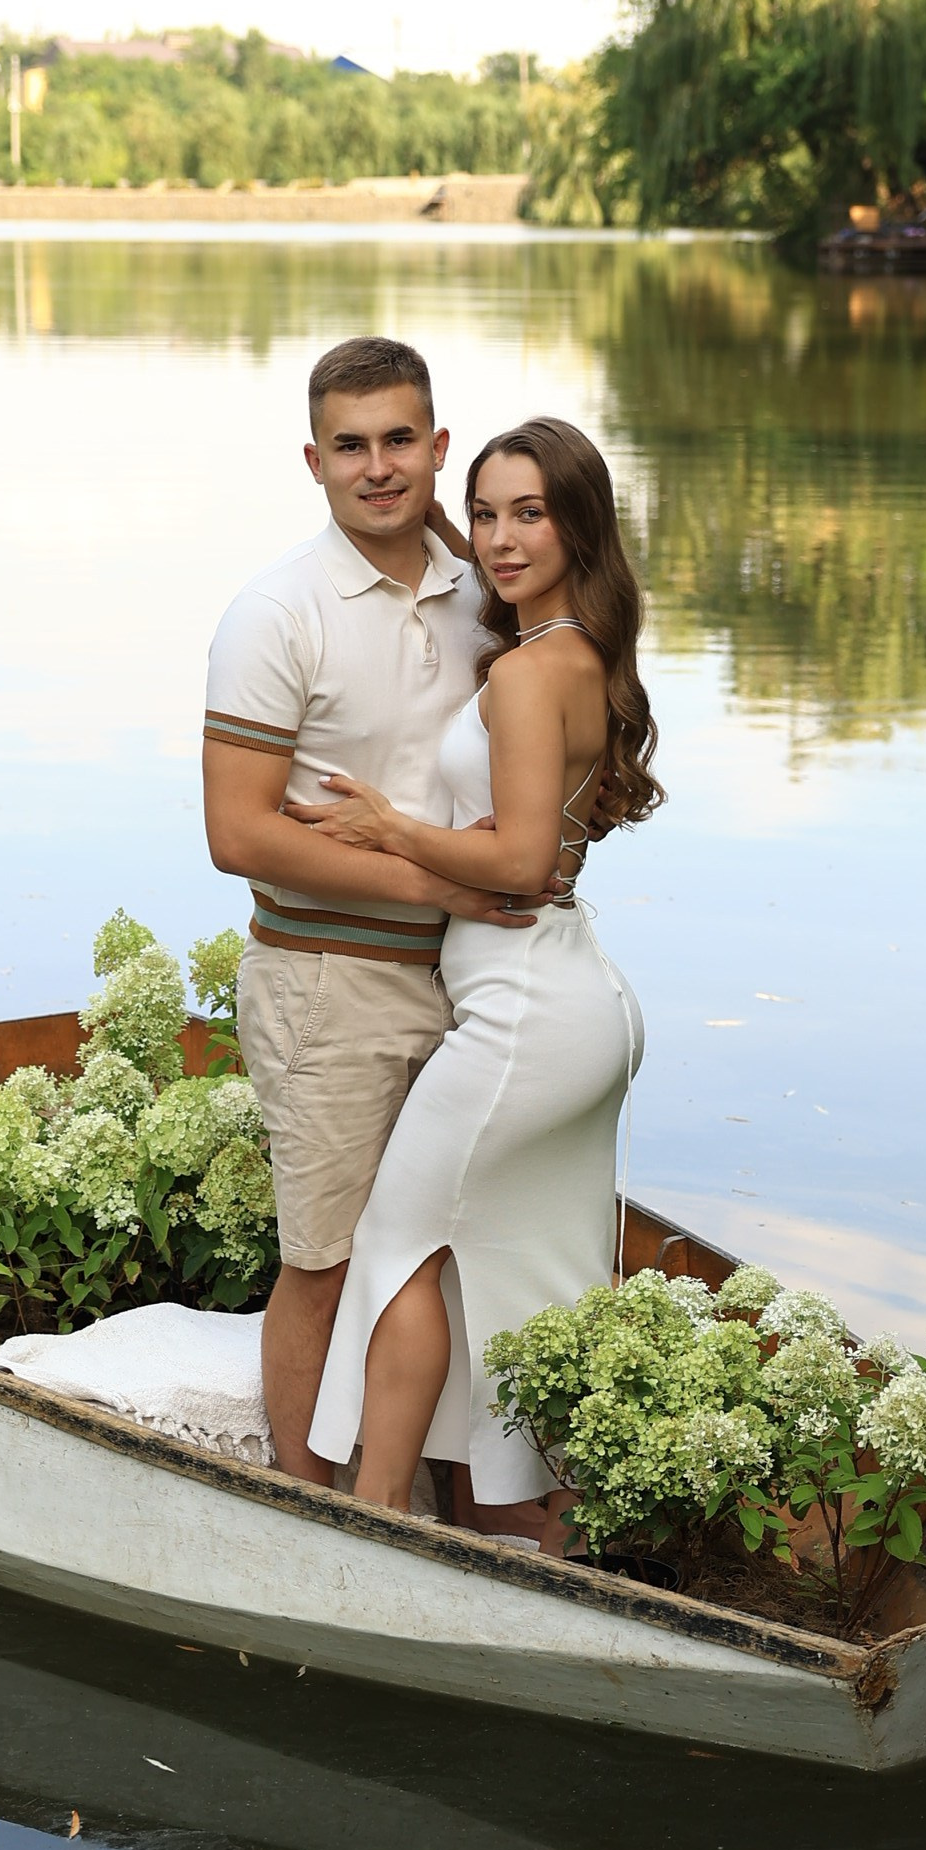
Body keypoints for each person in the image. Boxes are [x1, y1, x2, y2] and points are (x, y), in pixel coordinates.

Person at [295, 416, 661, 1532]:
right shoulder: (581, 653)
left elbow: (515, 862)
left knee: (399, 1246)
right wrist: (437, 513)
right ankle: (539, 1535)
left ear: (578, 523)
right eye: (487, 514)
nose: (499, 542)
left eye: (530, 515)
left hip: (520, 1017)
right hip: (569, 996)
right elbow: (538, 851)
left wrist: (388, 829)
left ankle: (375, 1522)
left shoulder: (522, 674)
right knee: (522, 1283)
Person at [202, 335, 535, 1480]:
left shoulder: (483, 596)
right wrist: (441, 883)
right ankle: (301, 1508)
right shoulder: (274, 615)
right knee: (329, 1261)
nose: (377, 467)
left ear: (440, 447)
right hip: (325, 987)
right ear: (312, 460)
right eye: (351, 446)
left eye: (400, 440)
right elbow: (238, 834)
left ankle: (426, 1502)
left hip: (473, 985)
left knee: (444, 1261)